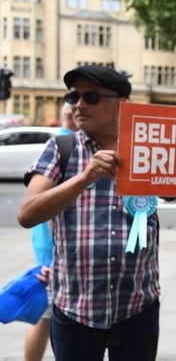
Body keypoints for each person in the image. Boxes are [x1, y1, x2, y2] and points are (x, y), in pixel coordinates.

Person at [17, 65, 161, 361]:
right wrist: (84, 177)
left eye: (91, 97)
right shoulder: (61, 148)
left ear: (121, 104)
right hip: (76, 310)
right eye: (74, 96)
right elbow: (27, 213)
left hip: (137, 306)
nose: (79, 105)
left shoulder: (147, 149)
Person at [23, 103, 78, 361]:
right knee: (46, 316)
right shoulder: (66, 145)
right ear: (71, 115)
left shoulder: (62, 142)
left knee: (44, 318)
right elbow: (51, 203)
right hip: (55, 249)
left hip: (46, 244)